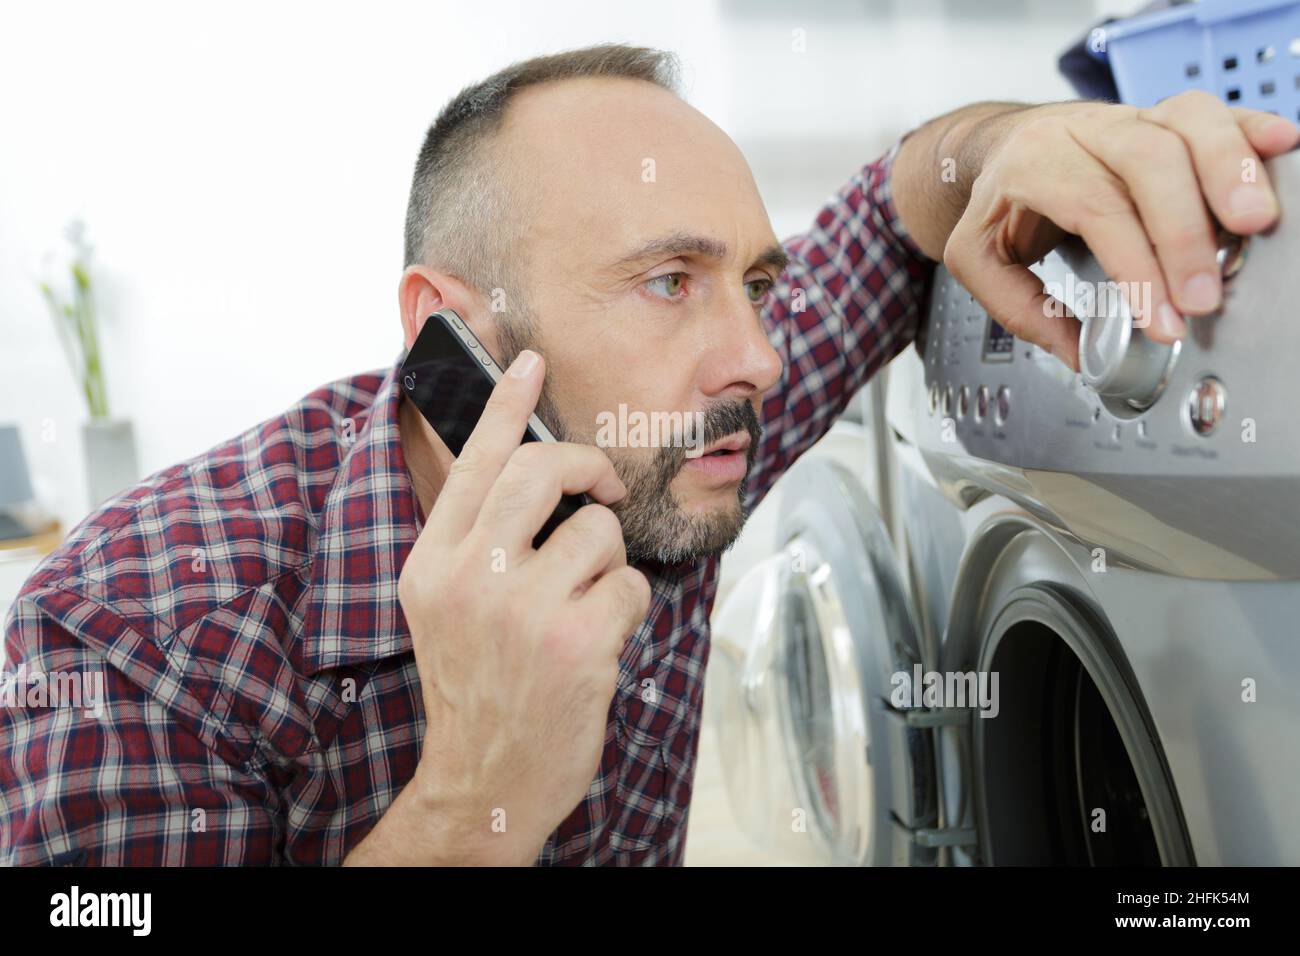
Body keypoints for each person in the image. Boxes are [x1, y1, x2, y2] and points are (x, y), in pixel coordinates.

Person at [2, 43, 1294, 866]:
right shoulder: (132, 635)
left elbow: (908, 197)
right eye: (670, 279)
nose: (768, 360)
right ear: (449, 335)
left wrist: (1001, 148)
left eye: (760, 281)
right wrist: (474, 799)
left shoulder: (664, 440)